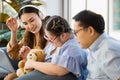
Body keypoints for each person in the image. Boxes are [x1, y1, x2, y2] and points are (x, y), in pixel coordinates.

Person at [13, 15, 88, 80]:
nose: (49, 42)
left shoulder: (73, 48)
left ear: (63, 35)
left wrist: (32, 63)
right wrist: (31, 54)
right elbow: (44, 57)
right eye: (47, 37)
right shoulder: (58, 42)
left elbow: (58, 70)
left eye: (51, 39)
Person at [4, 5, 48, 80]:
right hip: (28, 70)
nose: (30, 26)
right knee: (8, 78)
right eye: (25, 23)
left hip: (42, 71)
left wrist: (29, 55)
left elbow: (49, 60)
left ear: (40, 16)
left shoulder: (49, 33)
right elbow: (14, 54)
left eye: (32, 20)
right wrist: (13, 31)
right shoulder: (29, 35)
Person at [73, 10, 120, 80]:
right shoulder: (94, 48)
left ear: (90, 31)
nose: (75, 36)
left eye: (76, 32)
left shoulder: (107, 50)